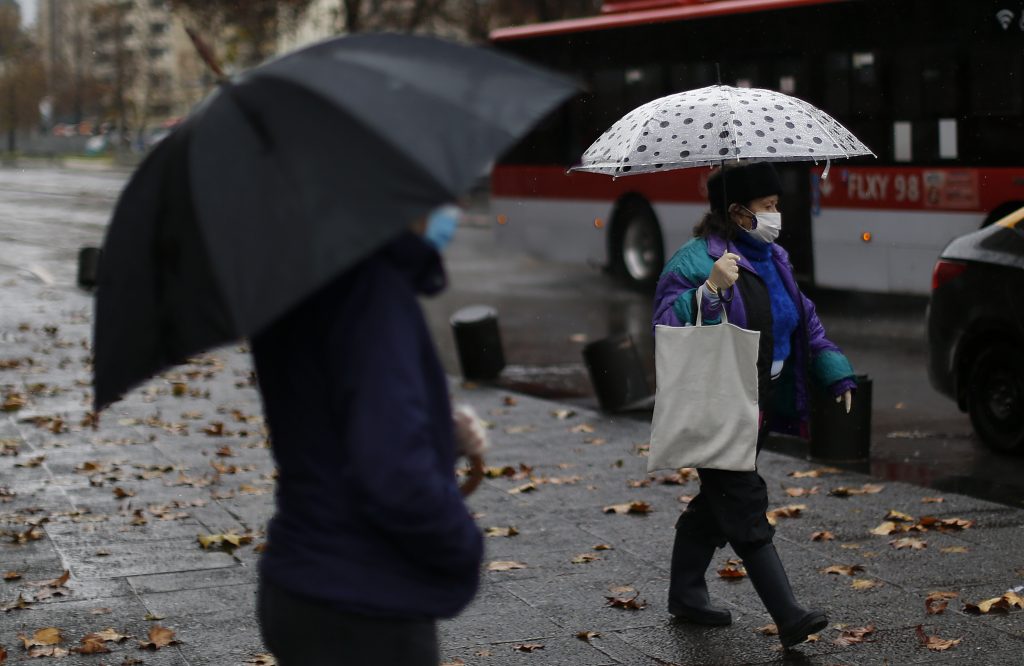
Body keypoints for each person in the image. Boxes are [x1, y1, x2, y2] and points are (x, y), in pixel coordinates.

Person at [251, 204, 484, 665]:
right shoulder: (371, 287)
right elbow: (395, 473)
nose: (449, 208)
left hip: (302, 581)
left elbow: (322, 418)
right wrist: (464, 544)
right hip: (366, 602)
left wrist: (438, 429)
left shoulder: (296, 274)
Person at [652, 161, 856, 649]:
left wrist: (833, 369)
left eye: (777, 206)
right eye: (768, 207)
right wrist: (711, 289)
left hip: (760, 400)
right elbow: (667, 325)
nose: (776, 216)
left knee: (717, 501)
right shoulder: (696, 260)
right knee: (742, 501)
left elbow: (803, 318)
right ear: (738, 212)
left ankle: (685, 592)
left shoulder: (773, 257)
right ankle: (788, 615)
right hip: (718, 402)